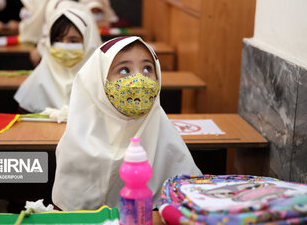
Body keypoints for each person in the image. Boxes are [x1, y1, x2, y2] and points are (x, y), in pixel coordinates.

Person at [52, 36, 202, 210]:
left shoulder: (168, 139)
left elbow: (189, 205)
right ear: (99, 81)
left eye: (147, 68)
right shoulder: (76, 145)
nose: (138, 79)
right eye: (124, 70)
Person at [14, 7, 101, 113]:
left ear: (88, 43)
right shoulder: (37, 81)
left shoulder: (101, 83)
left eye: (73, 41)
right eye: (57, 40)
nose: (64, 46)